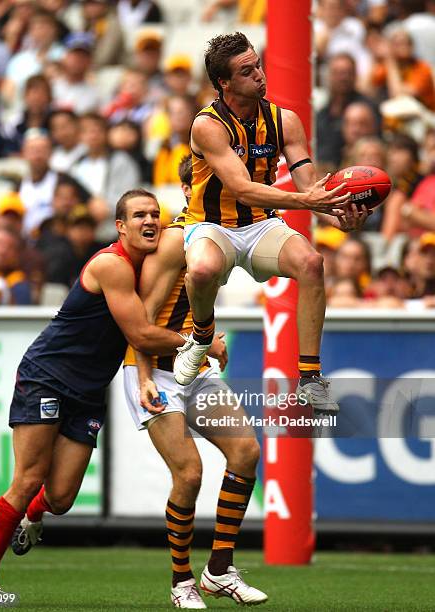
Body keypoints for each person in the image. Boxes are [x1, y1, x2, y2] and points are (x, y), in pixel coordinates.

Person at [0, 189, 204, 597]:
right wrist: (201, 341)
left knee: (59, 498)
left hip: (89, 390)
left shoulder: (150, 267)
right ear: (120, 226)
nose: (150, 221)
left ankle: (34, 517)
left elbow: (143, 336)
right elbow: (140, 333)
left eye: (154, 215)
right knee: (27, 479)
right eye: (139, 215)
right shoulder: (112, 264)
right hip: (48, 376)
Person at [174, 32, 368, 414]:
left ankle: (310, 378)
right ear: (224, 84)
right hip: (212, 224)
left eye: (258, 65)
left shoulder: (285, 121)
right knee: (200, 269)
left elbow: (310, 187)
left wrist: (338, 209)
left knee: (312, 263)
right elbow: (243, 189)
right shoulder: (207, 125)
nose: (259, 75)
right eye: (247, 71)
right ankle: (200, 338)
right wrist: (306, 201)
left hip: (260, 224)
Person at [123, 155, 267, 608]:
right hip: (153, 367)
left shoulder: (224, 233)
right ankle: (180, 580)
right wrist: (147, 375)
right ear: (191, 191)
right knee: (189, 473)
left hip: (193, 365)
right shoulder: (173, 241)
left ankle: (219, 569)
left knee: (246, 452)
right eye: (212, 186)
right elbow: (141, 323)